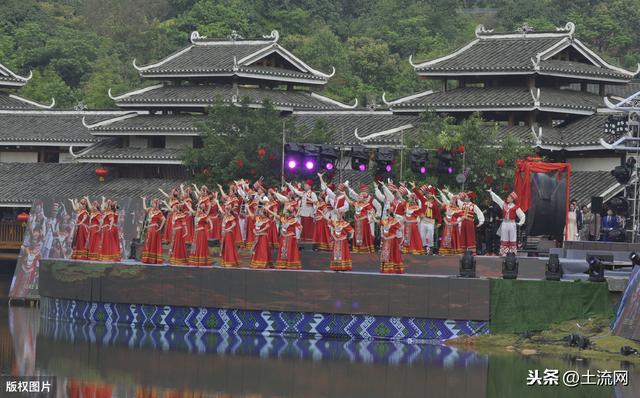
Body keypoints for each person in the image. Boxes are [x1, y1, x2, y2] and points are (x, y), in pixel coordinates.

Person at [488, 189, 526, 256]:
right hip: (505, 223)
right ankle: (504, 253)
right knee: (504, 237)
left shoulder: (515, 207)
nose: (507, 198)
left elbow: (522, 215)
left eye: (509, 197)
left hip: (512, 224)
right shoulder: (504, 205)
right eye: (508, 197)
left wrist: (520, 223)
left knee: (512, 238)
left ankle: (512, 253)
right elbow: (498, 199)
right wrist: (492, 193)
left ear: (512, 199)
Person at [274, 204, 302, 270]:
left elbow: (300, 227)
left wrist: (297, 236)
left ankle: (289, 264)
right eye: (285, 213)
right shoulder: (283, 219)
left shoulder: (293, 220)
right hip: (284, 236)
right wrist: (269, 210)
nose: (285, 214)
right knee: (283, 250)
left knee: (289, 250)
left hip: (290, 237)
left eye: (286, 213)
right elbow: (276, 216)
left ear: (289, 214)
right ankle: (283, 264)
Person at [141, 197, 165, 264]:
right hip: (149, 228)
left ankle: (153, 259)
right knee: (148, 243)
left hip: (154, 229)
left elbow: (164, 219)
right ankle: (147, 259)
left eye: (154, 203)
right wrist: (143, 200)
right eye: (153, 203)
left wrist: (160, 228)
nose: (153, 204)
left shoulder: (159, 212)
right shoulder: (150, 209)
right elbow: (145, 208)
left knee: (153, 243)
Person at [190, 202, 214, 266]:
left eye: (200, 208)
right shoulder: (196, 215)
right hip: (196, 233)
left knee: (201, 245)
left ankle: (201, 259)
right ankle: (195, 259)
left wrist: (211, 227)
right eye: (198, 208)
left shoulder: (204, 215)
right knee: (195, 246)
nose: (198, 209)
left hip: (201, 233)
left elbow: (209, 220)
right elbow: (191, 210)